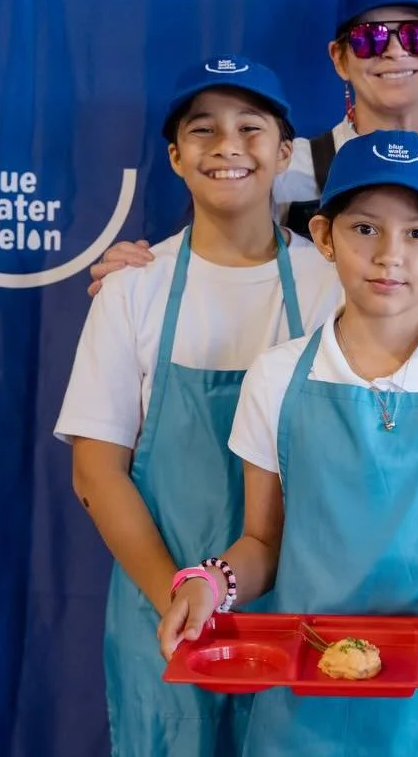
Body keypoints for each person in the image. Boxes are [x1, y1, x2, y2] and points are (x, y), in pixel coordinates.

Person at [158, 130, 418, 757]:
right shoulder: (278, 375)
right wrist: (213, 582)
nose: (388, 255)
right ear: (324, 237)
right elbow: (263, 543)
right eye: (364, 228)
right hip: (304, 712)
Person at [54, 55, 343, 756]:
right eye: (203, 130)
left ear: (284, 153)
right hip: (166, 613)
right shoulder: (133, 289)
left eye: (251, 127)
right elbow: (97, 473)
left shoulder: (336, 285)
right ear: (176, 157)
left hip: (306, 611)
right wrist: (180, 598)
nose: (227, 146)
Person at [86, 0, 418, 294]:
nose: (395, 51)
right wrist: (140, 274)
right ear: (339, 58)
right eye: (370, 38)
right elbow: (213, 264)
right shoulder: (280, 167)